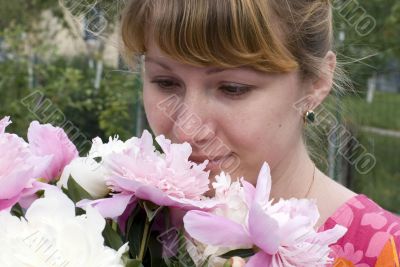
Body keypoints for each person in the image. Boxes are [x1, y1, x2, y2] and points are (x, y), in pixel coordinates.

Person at [120, 0, 400, 265]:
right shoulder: (111, 226)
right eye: (165, 82)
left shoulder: (383, 252)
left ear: (315, 83)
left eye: (233, 88)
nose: (186, 129)